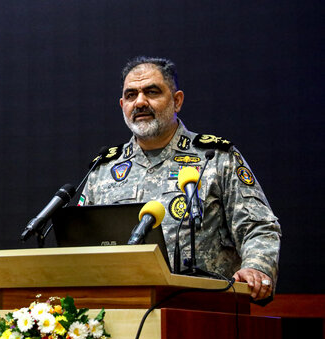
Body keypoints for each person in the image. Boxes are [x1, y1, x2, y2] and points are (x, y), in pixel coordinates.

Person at [80, 56, 281, 302]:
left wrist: (257, 268)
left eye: (152, 92)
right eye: (131, 95)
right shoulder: (103, 169)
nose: (140, 102)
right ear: (122, 104)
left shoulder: (216, 158)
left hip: (205, 308)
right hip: (122, 307)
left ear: (177, 101)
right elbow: (82, 246)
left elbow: (258, 226)